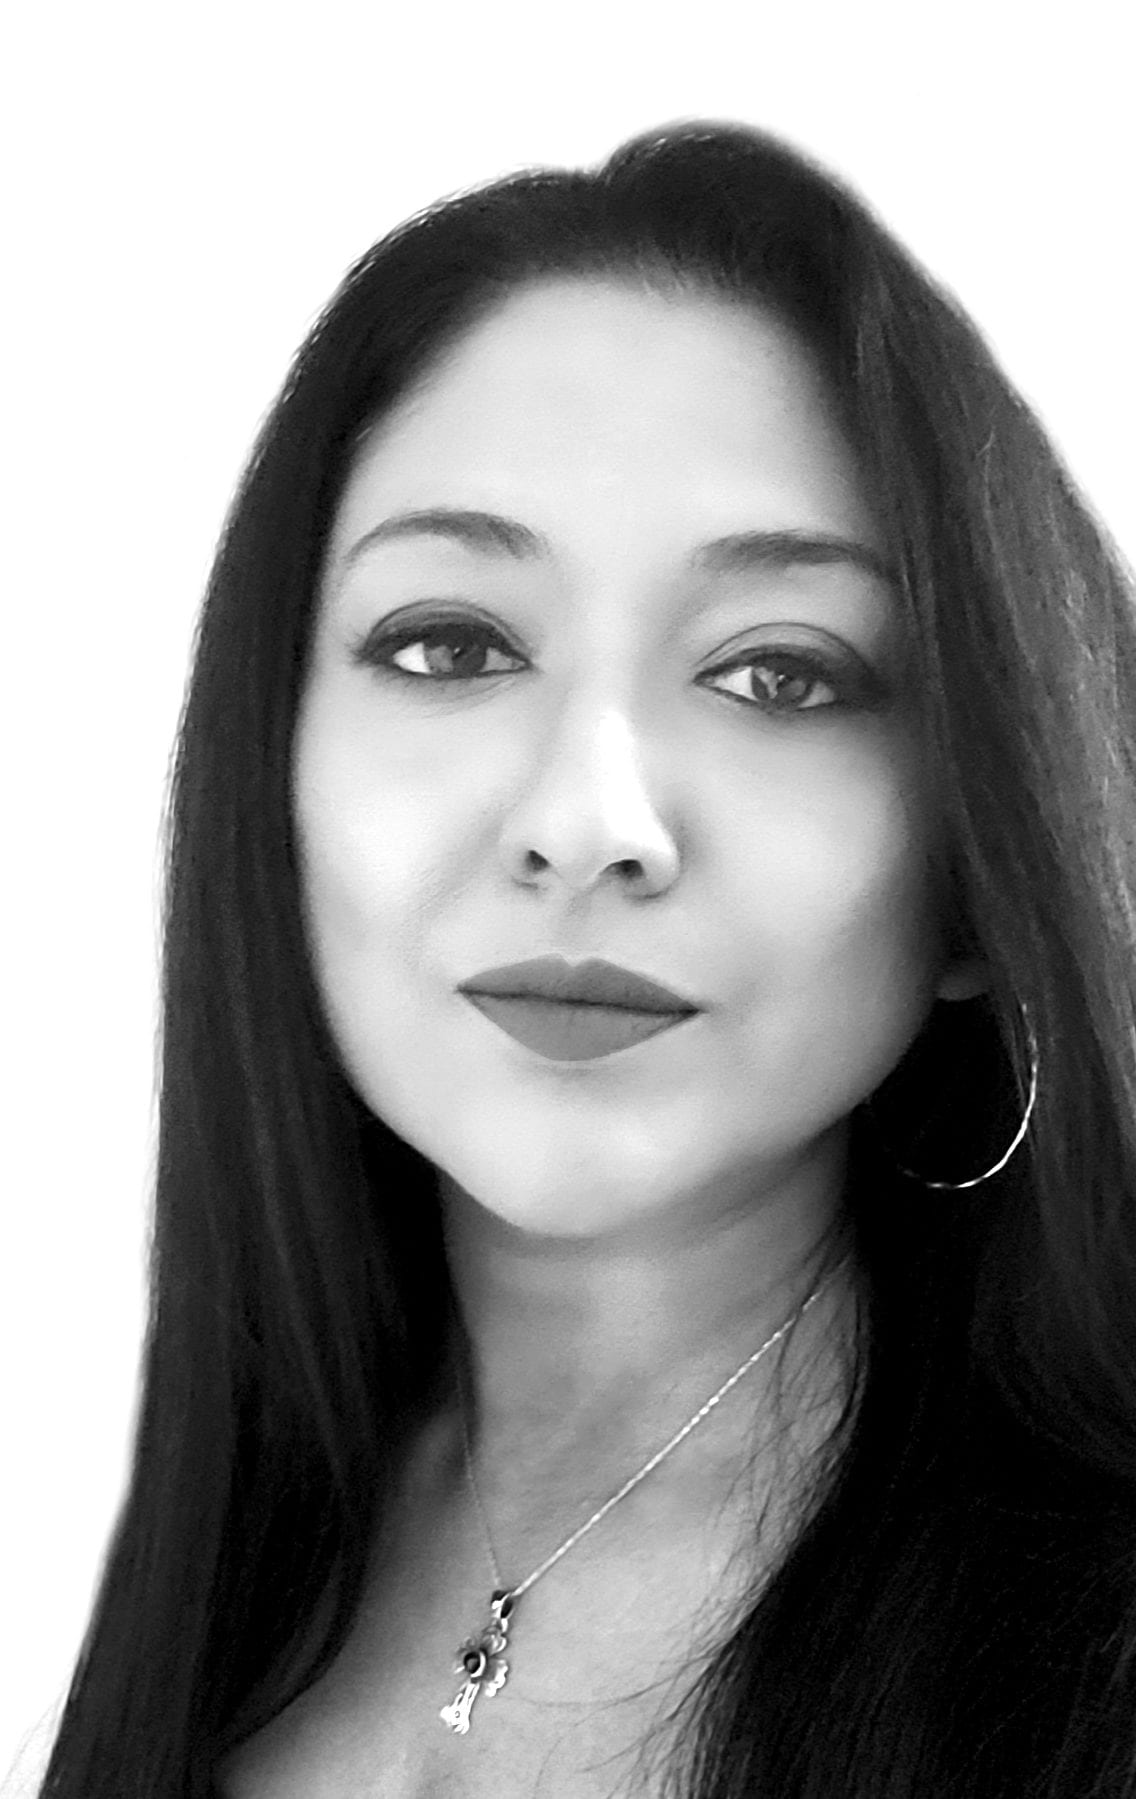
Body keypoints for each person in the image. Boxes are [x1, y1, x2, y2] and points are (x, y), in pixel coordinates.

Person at [36, 120, 1136, 1799]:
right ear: (273, 769)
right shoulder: (211, 1539)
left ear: (983, 875)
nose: (586, 821)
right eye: (450, 644)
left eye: (781, 674)